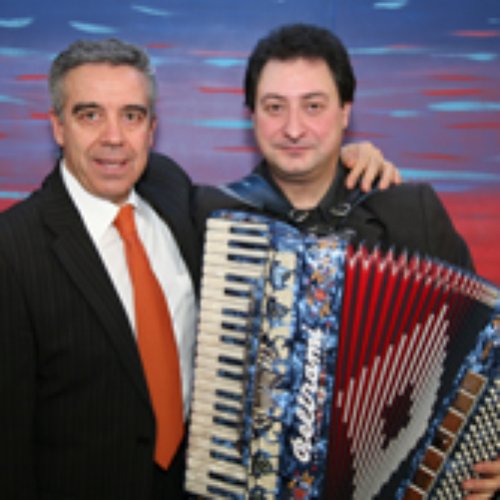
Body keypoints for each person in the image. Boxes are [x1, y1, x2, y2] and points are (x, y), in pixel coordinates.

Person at [0, 37, 401, 499]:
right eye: (90, 115)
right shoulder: (12, 251)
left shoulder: (170, 189)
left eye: (131, 116)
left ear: (152, 128)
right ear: (58, 126)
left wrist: (343, 157)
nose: (113, 137)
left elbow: (283, 204)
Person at [194, 23, 499, 499]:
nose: (294, 128)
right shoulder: (208, 217)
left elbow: (481, 352)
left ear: (345, 112)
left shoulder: (411, 211)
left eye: (314, 106)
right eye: (274, 107)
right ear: (251, 115)